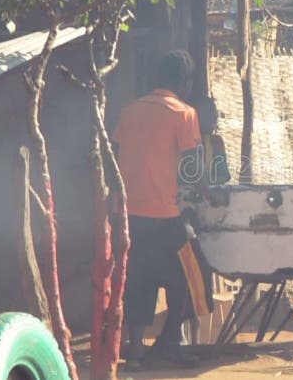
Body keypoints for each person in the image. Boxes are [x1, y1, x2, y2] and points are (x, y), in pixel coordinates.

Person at [112, 50, 207, 370]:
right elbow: (193, 168)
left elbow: (115, 156)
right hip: (166, 215)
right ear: (184, 81)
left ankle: (136, 352)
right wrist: (205, 190)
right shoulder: (184, 113)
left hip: (129, 215)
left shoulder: (129, 112)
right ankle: (171, 341)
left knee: (139, 279)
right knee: (192, 277)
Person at [192, 95, 231, 185]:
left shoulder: (215, 142)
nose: (214, 118)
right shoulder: (180, 140)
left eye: (214, 113)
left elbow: (223, 175)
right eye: (207, 114)